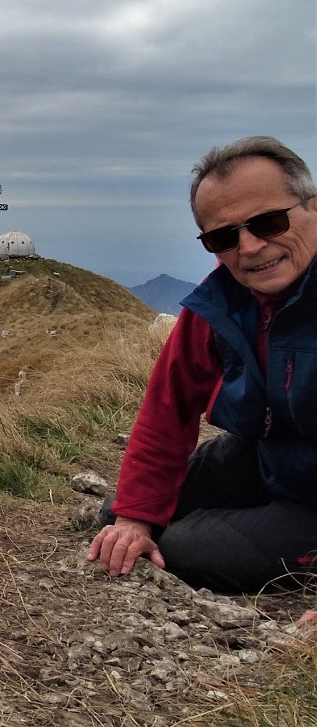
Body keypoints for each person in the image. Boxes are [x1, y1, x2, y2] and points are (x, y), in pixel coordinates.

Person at [88, 135, 317, 593]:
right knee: (122, 515)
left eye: (268, 221)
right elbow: (168, 408)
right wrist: (136, 518)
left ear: (312, 208)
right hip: (268, 457)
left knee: (183, 548)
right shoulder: (221, 303)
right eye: (224, 236)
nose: (249, 247)